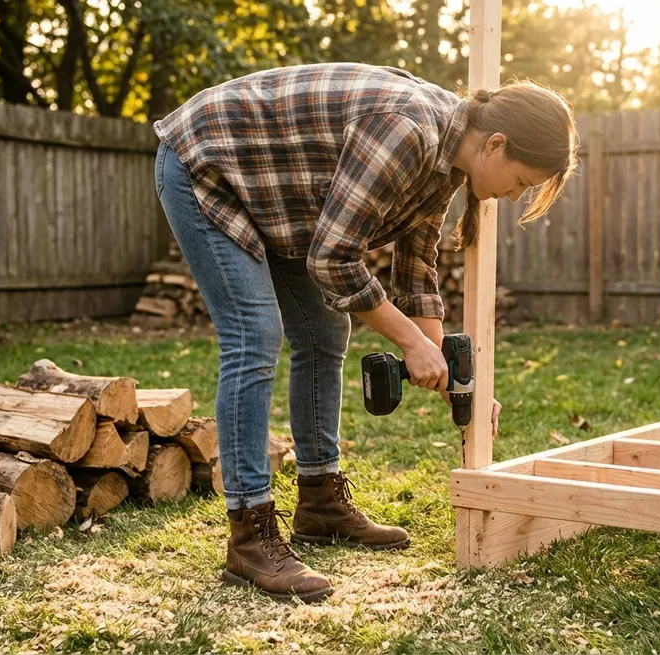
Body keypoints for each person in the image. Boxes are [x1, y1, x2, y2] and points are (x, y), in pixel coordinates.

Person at [153, 62, 578, 602]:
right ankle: (249, 535)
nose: (516, 196)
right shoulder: (408, 132)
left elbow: (415, 269)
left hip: (279, 197)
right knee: (254, 338)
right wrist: (410, 343)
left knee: (325, 333)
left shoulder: (447, 163)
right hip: (207, 164)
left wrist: (453, 375)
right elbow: (334, 258)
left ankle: (320, 504)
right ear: (496, 144)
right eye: (522, 182)